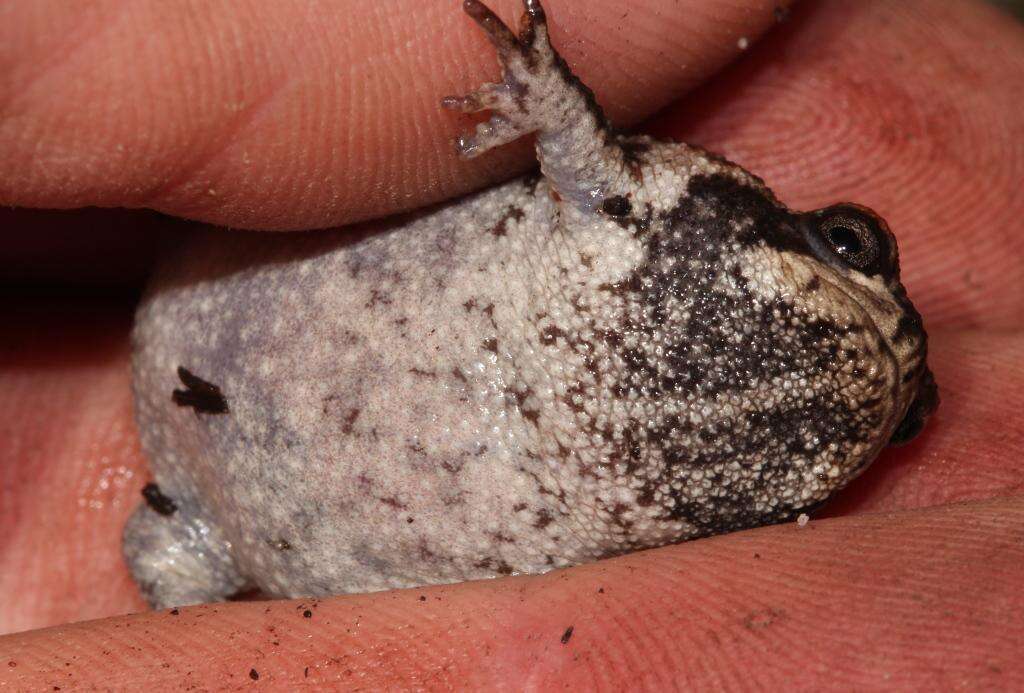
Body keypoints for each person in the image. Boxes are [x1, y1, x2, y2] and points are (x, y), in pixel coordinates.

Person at [1, 0, 1022, 687]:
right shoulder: (674, 241)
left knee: (180, 571)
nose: (903, 377)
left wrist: (542, 93)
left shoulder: (739, 449)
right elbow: (585, 158)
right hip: (224, 384)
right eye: (851, 245)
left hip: (221, 441)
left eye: (910, 413)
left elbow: (582, 154)